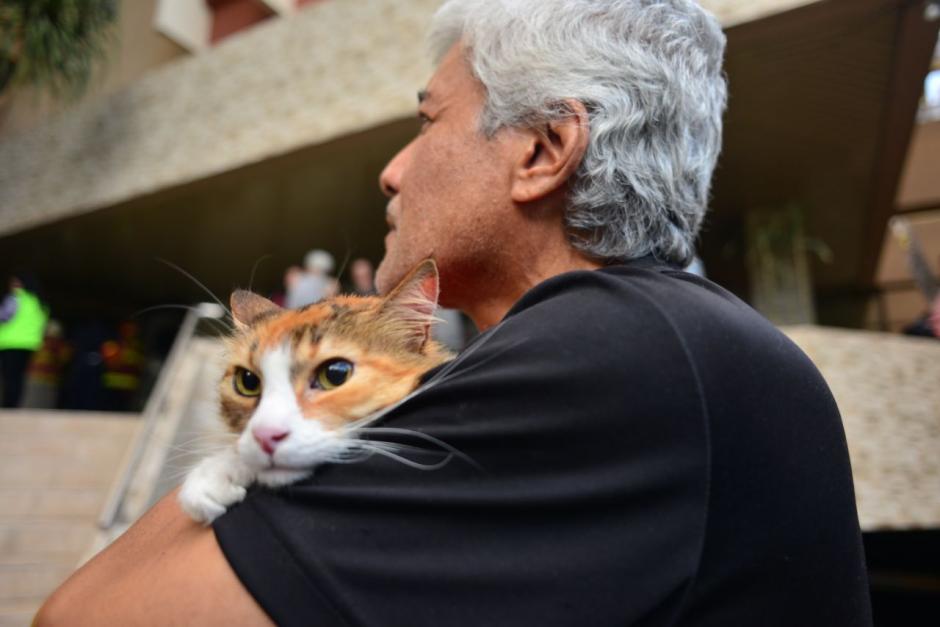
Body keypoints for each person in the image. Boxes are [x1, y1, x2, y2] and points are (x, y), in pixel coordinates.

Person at [36, 1, 871, 625]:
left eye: (427, 120)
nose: (390, 172)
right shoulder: (679, 339)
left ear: (543, 151)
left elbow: (78, 617)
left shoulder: (610, 348)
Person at [0, 272, 49, 408]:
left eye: (15, 283)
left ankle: (8, 406)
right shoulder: (39, 303)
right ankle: (14, 405)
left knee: (9, 377)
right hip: (29, 345)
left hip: (10, 344)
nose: (12, 286)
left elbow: (4, 316)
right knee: (18, 377)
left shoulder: (15, 299)